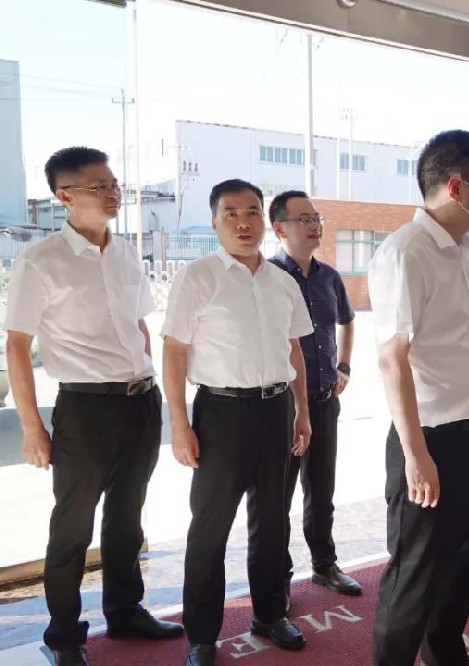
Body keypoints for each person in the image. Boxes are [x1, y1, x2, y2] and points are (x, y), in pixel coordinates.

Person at [4, 147, 183, 666]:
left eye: (114, 184)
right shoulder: (41, 261)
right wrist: (33, 428)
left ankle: (125, 613)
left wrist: (147, 375)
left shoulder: (124, 252)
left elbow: (139, 323)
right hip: (85, 410)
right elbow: (17, 345)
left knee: (127, 519)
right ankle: (64, 637)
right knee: (72, 528)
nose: (112, 193)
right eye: (98, 186)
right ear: (64, 196)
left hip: (139, 402)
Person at [163, 179, 313, 666]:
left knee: (272, 521)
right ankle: (202, 635)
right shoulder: (198, 277)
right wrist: (179, 424)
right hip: (221, 414)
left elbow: (294, 349)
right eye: (231, 213)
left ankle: (269, 614)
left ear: (264, 221)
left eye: (251, 212)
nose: (243, 222)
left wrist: (302, 412)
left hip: (276, 410)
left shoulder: (282, 281)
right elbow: (174, 351)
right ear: (215, 221)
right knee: (210, 528)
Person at [369, 130, 469, 666]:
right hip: (429, 441)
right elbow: (392, 359)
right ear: (456, 186)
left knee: (461, 566)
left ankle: (445, 653)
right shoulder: (406, 252)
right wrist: (415, 453)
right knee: (415, 575)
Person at [267, 191, 362, 605]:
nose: (314, 225)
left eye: (316, 217)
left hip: (324, 399)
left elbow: (347, 322)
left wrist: (345, 367)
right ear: (279, 228)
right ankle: (278, 579)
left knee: (321, 491)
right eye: (303, 219)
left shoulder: (329, 277)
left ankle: (325, 565)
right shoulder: (267, 277)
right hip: (284, 405)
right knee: (279, 496)